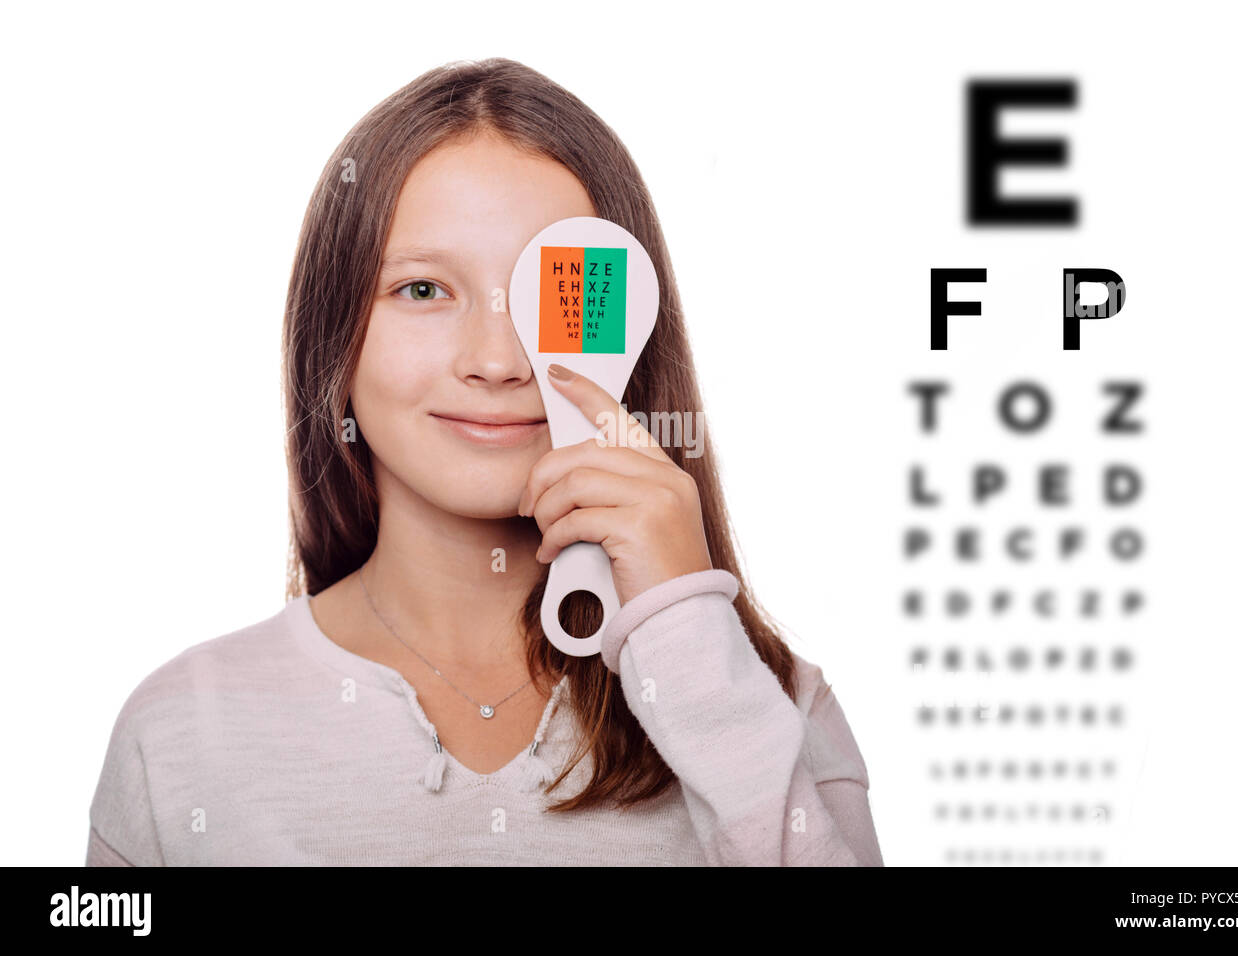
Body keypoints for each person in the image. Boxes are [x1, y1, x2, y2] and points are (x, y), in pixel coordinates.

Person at [85, 57, 885, 866]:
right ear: (336, 338)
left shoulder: (775, 712)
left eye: (552, 295)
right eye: (424, 290)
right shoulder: (182, 734)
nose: (497, 360)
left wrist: (686, 634)